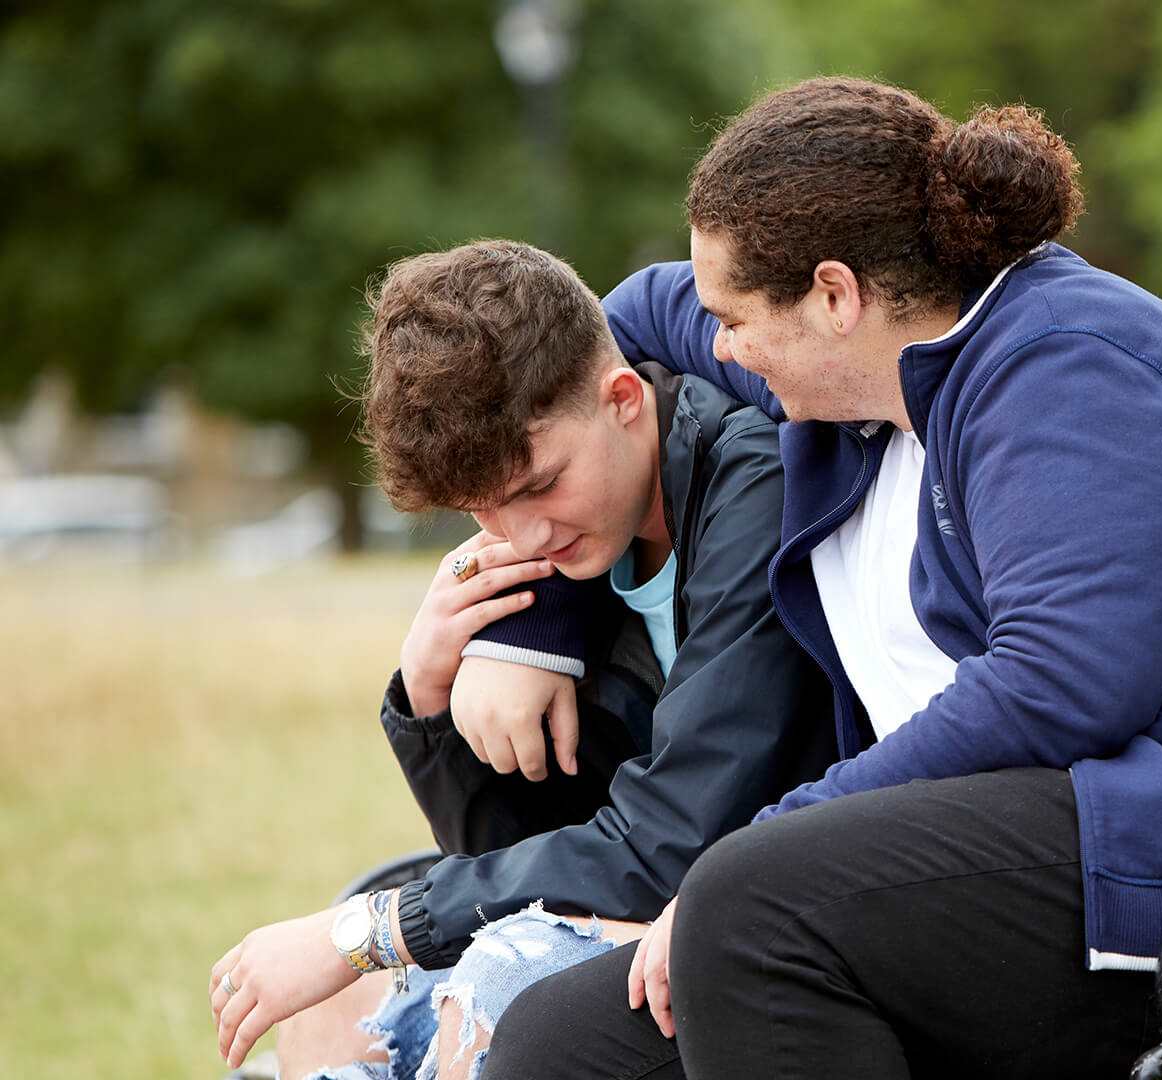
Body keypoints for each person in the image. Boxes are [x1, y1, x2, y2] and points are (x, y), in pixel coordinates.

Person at [474, 77, 1162, 1080]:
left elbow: (1067, 684)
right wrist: (541, 610)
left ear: (835, 295)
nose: (720, 347)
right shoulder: (866, 377)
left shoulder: (1066, 364)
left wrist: (782, 834)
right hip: (1110, 863)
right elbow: (609, 348)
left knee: (752, 899)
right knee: (562, 1044)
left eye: (735, 319)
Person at [206, 240, 836, 1079]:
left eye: (539, 485)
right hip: (640, 905)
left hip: (768, 904)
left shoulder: (749, 482)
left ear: (622, 400)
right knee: (336, 1000)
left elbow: (666, 843)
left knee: (488, 974)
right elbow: (528, 847)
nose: (524, 536)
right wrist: (430, 701)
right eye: (485, 509)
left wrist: (372, 930)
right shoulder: (564, 554)